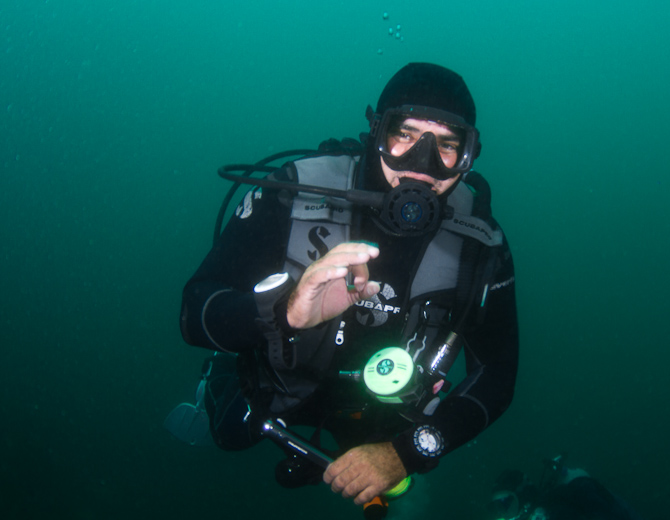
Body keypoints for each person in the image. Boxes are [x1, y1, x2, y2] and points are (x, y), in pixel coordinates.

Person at [174, 62, 519, 507]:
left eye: (447, 145)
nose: (423, 163)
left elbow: (497, 372)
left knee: (397, 489)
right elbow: (193, 311)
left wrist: (410, 451)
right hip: (277, 385)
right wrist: (283, 313)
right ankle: (215, 381)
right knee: (229, 434)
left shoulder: (481, 242)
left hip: (382, 412)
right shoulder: (291, 191)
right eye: (405, 135)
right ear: (376, 131)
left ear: (469, 155)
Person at [488, 456, 643, 520]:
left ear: (523, 494)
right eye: (498, 506)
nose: (502, 512)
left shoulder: (558, 508)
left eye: (505, 502)